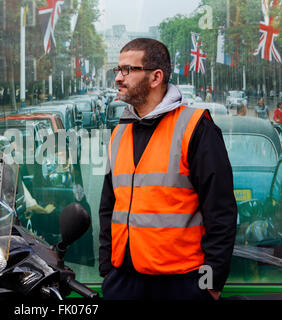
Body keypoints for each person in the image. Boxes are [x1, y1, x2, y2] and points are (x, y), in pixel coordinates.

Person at [99, 38, 237, 301]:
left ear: (155, 77)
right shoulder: (119, 132)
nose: (118, 77)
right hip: (123, 282)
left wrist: (211, 284)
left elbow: (221, 212)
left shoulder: (196, 127)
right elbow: (109, 207)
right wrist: (107, 269)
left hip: (181, 285)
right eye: (117, 70)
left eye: (128, 70)